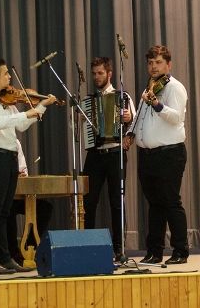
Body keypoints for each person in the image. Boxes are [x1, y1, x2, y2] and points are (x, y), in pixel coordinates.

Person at [0, 58, 58, 274]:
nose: (10, 77)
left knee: (5, 212)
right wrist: (27, 112)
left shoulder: (6, 102)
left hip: (10, 158)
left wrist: (41, 106)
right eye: (6, 73)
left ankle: (5, 257)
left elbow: (20, 125)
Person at [124, 45, 189, 265]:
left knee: (171, 202)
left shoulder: (175, 88)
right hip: (148, 155)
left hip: (169, 154)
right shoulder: (149, 87)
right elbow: (140, 117)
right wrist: (131, 132)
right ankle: (154, 252)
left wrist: (157, 104)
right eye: (150, 63)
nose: (154, 66)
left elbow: (177, 118)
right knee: (154, 204)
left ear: (168, 65)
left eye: (158, 62)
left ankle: (180, 251)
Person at [82, 57, 135, 259]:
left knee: (116, 201)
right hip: (95, 154)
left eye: (100, 73)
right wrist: (79, 120)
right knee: (89, 202)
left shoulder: (123, 97)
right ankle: (88, 245)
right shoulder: (88, 101)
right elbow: (80, 129)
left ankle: (119, 248)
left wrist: (128, 123)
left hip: (115, 153)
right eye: (94, 73)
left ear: (109, 74)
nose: (96, 77)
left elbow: (134, 122)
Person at [0, 138, 53, 266]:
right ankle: (10, 254)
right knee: (7, 210)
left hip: (14, 194)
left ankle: (29, 249)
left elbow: (23, 169)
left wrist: (21, 173)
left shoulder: (15, 142)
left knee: (45, 208)